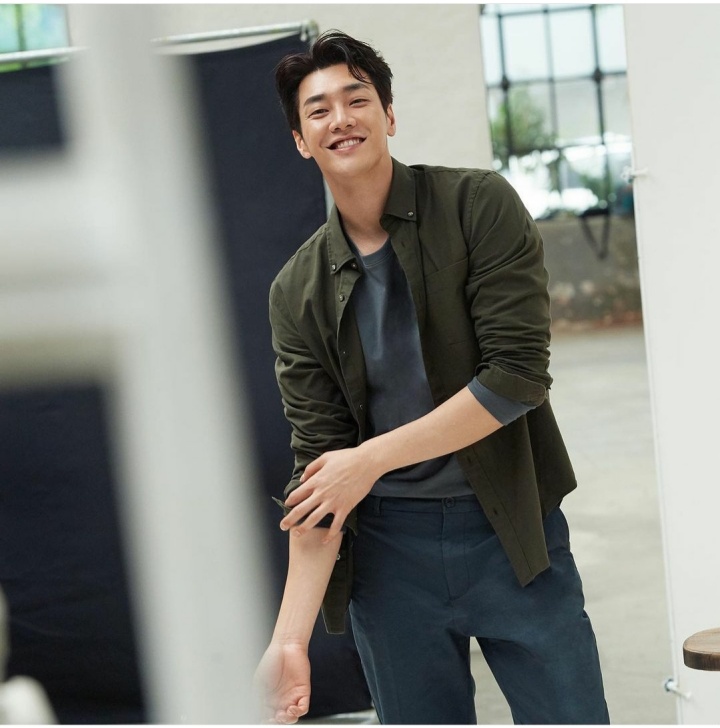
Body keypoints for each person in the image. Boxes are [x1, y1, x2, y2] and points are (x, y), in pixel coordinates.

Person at [255, 29, 610, 725]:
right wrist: (288, 640)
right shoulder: (295, 290)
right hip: (388, 557)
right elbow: (321, 471)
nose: (340, 118)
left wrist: (369, 460)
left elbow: (515, 376)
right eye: (318, 110)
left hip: (511, 528)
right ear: (300, 140)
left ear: (389, 115)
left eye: (357, 99)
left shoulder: (478, 205)